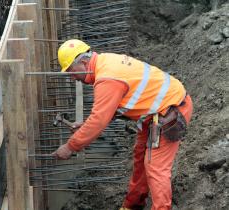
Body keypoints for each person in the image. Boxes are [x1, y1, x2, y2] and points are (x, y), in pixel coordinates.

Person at [52, 39, 193, 210]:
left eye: (72, 72)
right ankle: (132, 205)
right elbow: (111, 109)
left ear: (83, 62)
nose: (73, 77)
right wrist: (85, 125)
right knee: (141, 157)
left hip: (168, 113)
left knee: (155, 167)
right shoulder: (105, 62)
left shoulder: (107, 79)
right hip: (155, 113)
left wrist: (70, 146)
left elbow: (99, 120)